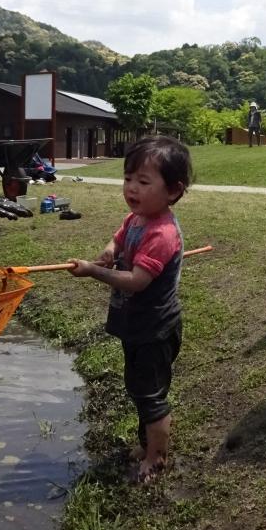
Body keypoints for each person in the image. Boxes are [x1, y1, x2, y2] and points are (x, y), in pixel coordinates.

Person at [67, 135, 192, 482]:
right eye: (128, 179)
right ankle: (147, 443)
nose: (131, 188)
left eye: (143, 181)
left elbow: (137, 281)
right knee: (138, 387)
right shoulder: (136, 219)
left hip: (155, 328)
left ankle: (156, 457)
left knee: (150, 395)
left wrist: (94, 271)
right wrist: (109, 251)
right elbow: (119, 238)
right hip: (135, 325)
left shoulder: (162, 233)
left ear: (173, 191)